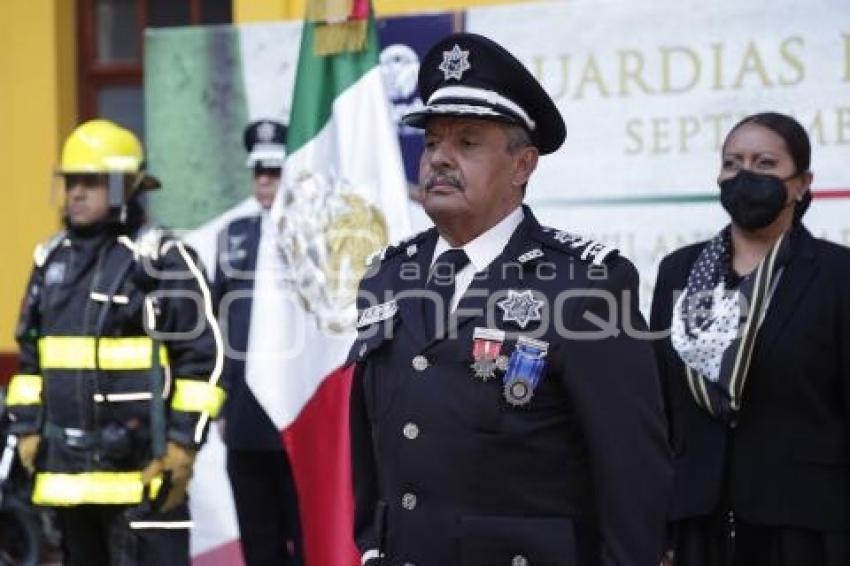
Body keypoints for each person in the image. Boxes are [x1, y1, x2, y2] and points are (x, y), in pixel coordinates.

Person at [347, 32, 671, 566]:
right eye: (432, 142)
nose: (439, 160)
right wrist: (372, 544)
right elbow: (374, 441)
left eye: (467, 143)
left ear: (522, 165)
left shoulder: (584, 285)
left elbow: (633, 467)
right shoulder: (387, 276)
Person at [5, 119, 225, 565]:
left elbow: (205, 360)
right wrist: (27, 429)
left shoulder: (162, 259)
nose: (76, 193)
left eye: (91, 182)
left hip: (147, 476)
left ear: (126, 186)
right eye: (71, 182)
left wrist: (183, 444)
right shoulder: (52, 260)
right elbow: (31, 362)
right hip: (68, 478)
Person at [650, 112, 850, 566]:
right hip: (698, 520)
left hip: (805, 524)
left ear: (801, 183)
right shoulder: (679, 270)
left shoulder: (838, 275)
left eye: (764, 164)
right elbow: (661, 406)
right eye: (733, 163)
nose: (745, 177)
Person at [212, 119, 302, 565]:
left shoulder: (318, 235)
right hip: (246, 415)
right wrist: (222, 403)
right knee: (260, 542)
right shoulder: (234, 237)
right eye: (258, 172)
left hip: (300, 413)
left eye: (274, 170)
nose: (265, 180)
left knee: (309, 540)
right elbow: (217, 326)